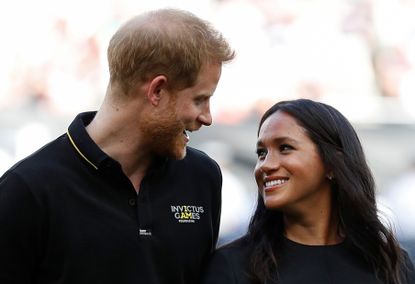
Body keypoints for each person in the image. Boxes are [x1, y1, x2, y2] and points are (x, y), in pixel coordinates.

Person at [0, 8, 234, 284]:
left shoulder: (202, 177)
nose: (206, 117)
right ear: (157, 91)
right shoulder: (27, 190)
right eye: (200, 99)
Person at [202, 99, 415, 284]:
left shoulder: (390, 262)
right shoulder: (233, 266)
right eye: (261, 153)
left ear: (332, 163)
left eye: (285, 148)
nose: (265, 165)